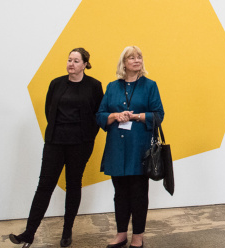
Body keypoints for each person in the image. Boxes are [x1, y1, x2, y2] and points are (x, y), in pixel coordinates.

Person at [9, 48, 104, 248]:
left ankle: (67, 230)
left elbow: (99, 114)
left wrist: (88, 136)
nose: (71, 64)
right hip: (55, 141)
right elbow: (49, 110)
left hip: (80, 144)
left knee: (73, 185)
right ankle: (29, 233)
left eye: (76, 61)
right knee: (44, 186)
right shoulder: (56, 83)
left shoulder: (94, 86)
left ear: (85, 64)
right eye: (69, 60)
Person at [97, 46, 164, 248]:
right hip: (117, 148)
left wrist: (136, 116)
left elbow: (158, 115)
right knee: (120, 194)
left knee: (139, 194)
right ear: (123, 63)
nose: (136, 60)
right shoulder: (112, 87)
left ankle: (138, 236)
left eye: (139, 57)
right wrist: (115, 116)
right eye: (131, 58)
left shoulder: (150, 86)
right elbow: (100, 115)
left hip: (139, 148)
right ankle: (121, 234)